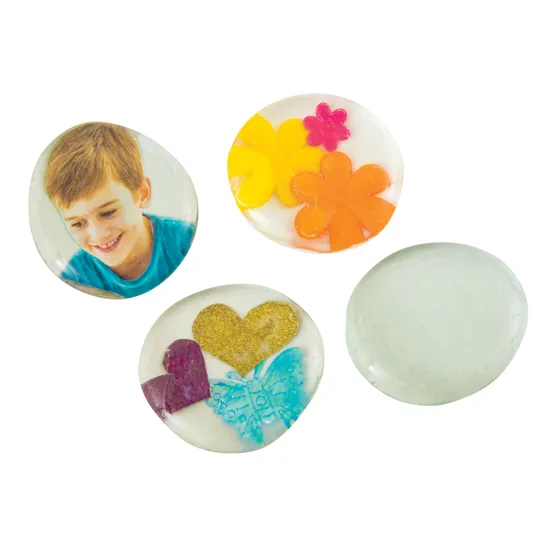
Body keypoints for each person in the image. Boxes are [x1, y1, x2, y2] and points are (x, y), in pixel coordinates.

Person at [44, 122, 195, 298]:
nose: (98, 235)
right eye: (78, 223)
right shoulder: (76, 279)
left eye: (107, 213)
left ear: (143, 193)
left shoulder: (184, 241)